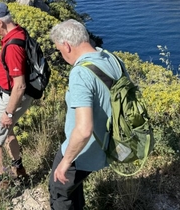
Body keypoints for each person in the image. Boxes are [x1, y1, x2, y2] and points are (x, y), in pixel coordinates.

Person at [48, 19, 123, 210]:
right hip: (110, 143)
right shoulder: (111, 59)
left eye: (60, 50)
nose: (62, 55)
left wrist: (66, 161)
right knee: (73, 188)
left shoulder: (81, 73)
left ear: (67, 45)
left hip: (83, 151)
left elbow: (83, 130)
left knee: (59, 191)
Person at [0, 2, 33, 187]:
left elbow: (19, 85)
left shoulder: (12, 46)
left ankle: (3, 181)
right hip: (15, 95)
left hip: (11, 97)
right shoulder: (20, 31)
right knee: (8, 132)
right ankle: (19, 169)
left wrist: (9, 113)